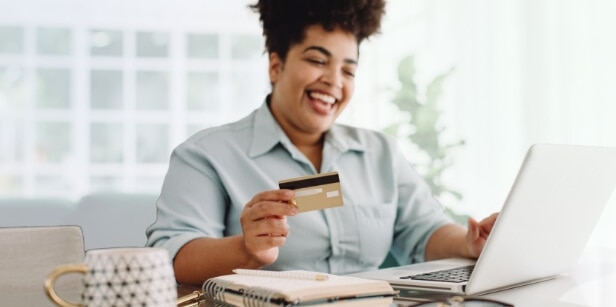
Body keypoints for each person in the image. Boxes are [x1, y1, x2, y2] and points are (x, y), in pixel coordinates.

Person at [146, 0, 498, 286]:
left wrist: (468, 244)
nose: (333, 81)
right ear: (275, 66)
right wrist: (245, 249)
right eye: (317, 60)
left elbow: (424, 231)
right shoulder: (207, 155)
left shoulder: (380, 153)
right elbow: (171, 257)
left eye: (348, 70)